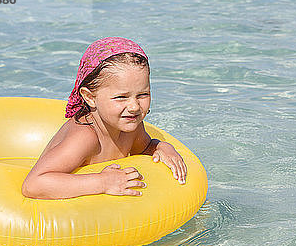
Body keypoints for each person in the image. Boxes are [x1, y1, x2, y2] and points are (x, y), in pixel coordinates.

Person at [22, 37, 187, 199]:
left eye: (143, 94)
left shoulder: (132, 126)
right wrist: (102, 182)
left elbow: (143, 149)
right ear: (90, 97)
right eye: (121, 97)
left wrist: (161, 147)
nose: (134, 107)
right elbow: (34, 184)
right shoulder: (85, 136)